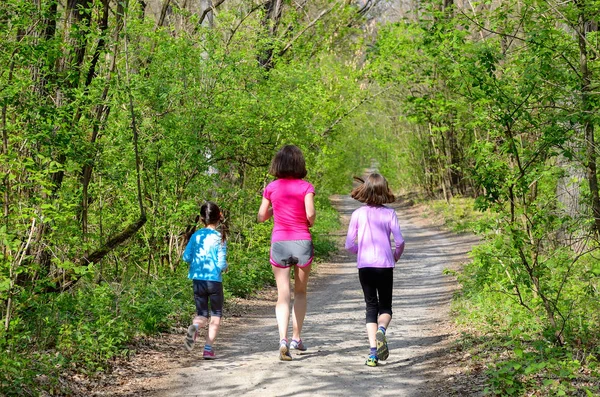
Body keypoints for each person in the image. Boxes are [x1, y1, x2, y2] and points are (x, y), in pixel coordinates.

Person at [257, 145, 316, 361]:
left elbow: (261, 216)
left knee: (283, 295)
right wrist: (307, 220)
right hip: (301, 241)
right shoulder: (306, 186)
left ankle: (282, 339)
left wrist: (276, 209)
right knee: (300, 292)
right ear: (299, 163)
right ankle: (296, 338)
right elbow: (310, 214)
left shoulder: (271, 187)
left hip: (280, 241)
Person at [344, 173, 405, 367]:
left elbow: (348, 244)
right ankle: (382, 331)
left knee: (371, 307)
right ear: (384, 191)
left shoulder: (357, 214)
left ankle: (372, 354)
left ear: (366, 190)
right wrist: (395, 255)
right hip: (385, 266)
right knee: (385, 307)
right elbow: (400, 241)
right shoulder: (390, 214)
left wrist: (360, 252)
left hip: (365, 267)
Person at [182, 201, 228, 360]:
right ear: (219, 217)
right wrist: (225, 267)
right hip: (214, 281)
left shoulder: (196, 236)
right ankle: (208, 349)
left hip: (198, 280)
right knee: (216, 314)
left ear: (202, 219)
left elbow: (186, 257)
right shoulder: (220, 237)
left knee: (201, 314)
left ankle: (195, 327)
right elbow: (221, 264)